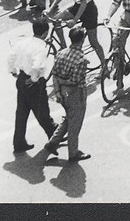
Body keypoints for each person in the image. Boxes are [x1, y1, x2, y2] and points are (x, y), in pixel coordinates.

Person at [8, 19, 58, 154]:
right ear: (46, 33)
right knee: (42, 112)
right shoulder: (41, 48)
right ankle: (54, 138)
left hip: (22, 78)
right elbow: (38, 66)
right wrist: (34, 79)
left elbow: (11, 56)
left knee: (21, 113)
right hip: (33, 82)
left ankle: (19, 143)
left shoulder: (22, 43)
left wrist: (13, 71)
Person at [46, 0, 106, 68]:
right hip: (78, 6)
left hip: (89, 10)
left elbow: (83, 2)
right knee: (57, 19)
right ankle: (64, 47)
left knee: (93, 42)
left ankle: (104, 66)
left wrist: (74, 20)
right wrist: (50, 9)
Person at [44, 25, 92, 161]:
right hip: (75, 93)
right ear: (82, 40)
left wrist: (58, 90)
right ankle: (73, 152)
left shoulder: (61, 53)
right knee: (75, 123)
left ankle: (53, 142)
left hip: (63, 93)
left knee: (69, 118)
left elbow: (54, 74)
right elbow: (75, 81)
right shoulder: (81, 59)